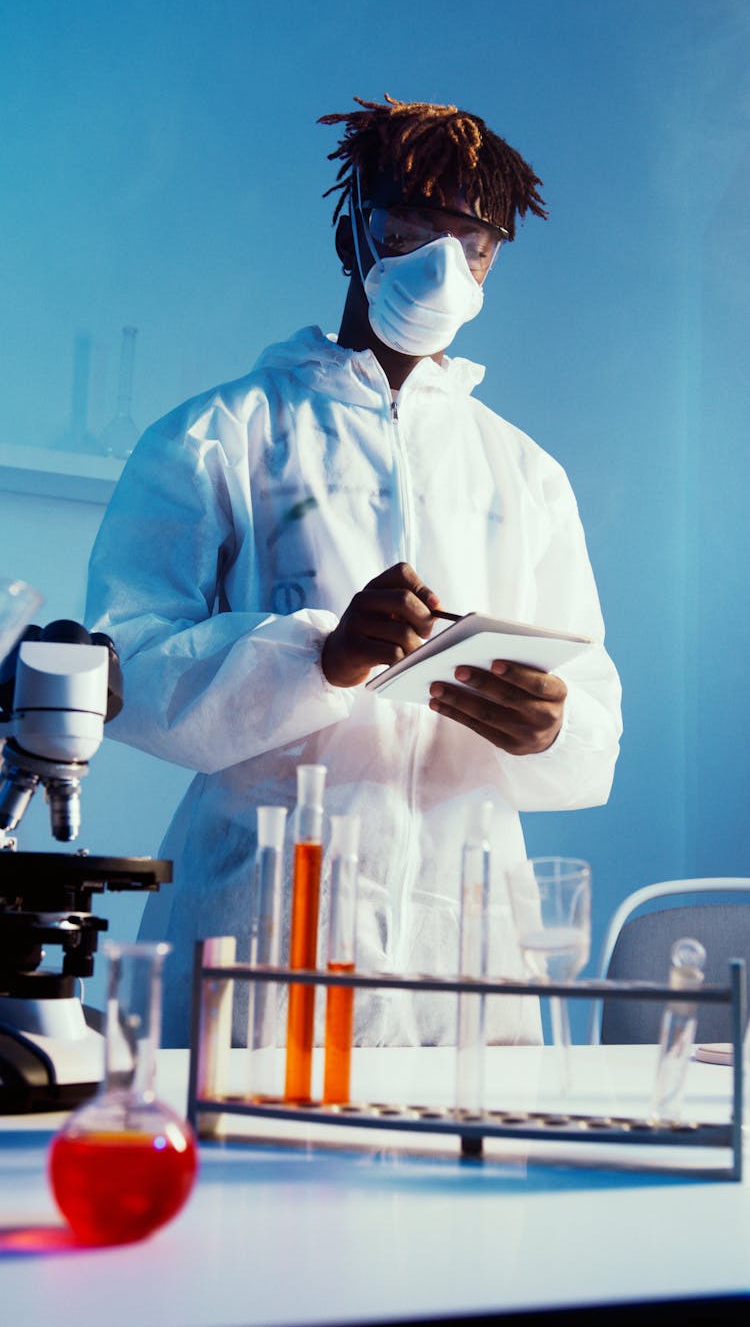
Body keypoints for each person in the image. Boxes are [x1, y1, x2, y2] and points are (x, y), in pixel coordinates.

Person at [85, 95, 622, 1048]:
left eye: (475, 242)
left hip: (461, 933)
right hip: (263, 920)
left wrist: (553, 723)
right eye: (411, 227)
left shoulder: (527, 474)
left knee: (464, 1176)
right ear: (350, 233)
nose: (443, 264)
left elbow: (592, 706)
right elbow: (121, 665)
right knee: (247, 1180)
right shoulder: (220, 435)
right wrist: (318, 660)